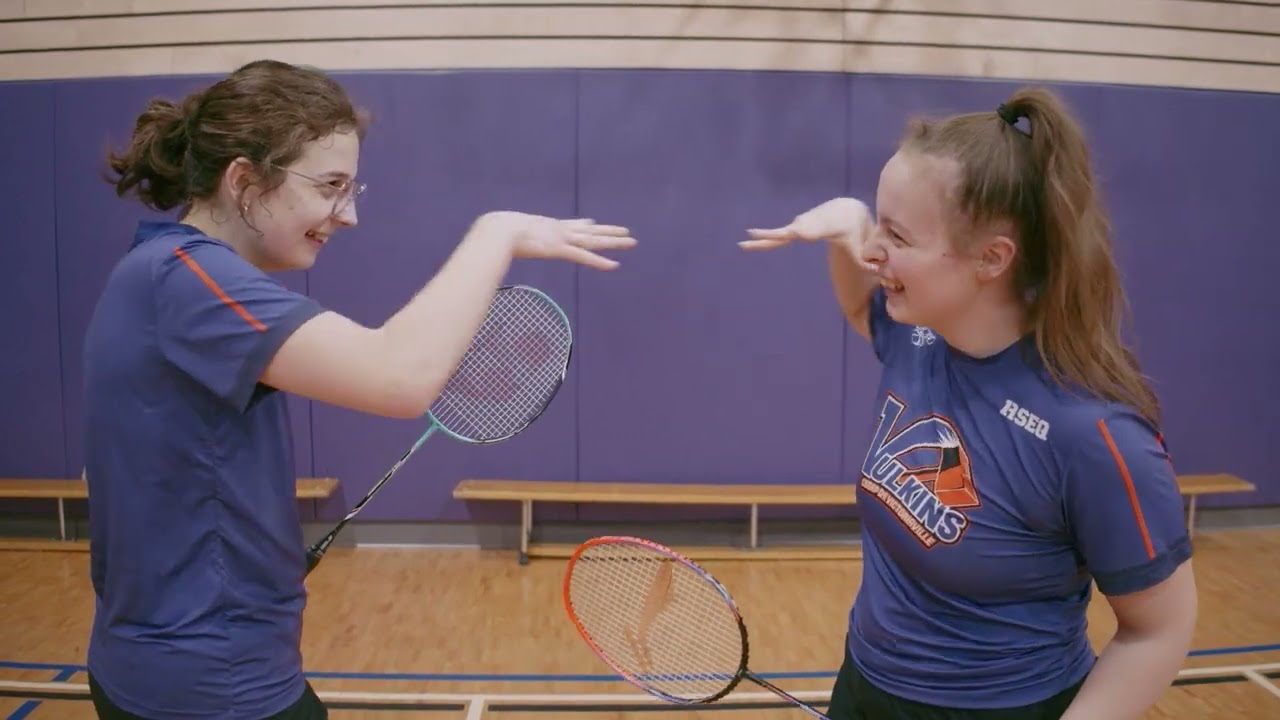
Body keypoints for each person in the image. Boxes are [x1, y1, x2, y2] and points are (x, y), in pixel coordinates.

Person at [81, 59, 635, 720]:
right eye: (329, 187)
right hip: (210, 688)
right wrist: (498, 233)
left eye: (352, 189)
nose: (346, 216)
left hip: (170, 668)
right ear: (243, 181)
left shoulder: (151, 274)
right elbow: (399, 378)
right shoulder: (187, 281)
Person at [741, 87, 1197, 719]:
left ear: (992, 259)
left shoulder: (1094, 435)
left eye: (896, 235)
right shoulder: (919, 336)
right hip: (866, 684)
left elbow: (1158, 630)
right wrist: (850, 226)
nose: (875, 253)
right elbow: (857, 306)